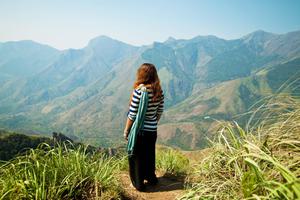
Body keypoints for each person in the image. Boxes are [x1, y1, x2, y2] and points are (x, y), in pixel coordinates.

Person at [123, 63, 164, 191]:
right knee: (149, 155)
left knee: (136, 157)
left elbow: (132, 114)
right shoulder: (159, 91)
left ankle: (138, 183)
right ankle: (150, 178)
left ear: (141, 75)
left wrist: (126, 130)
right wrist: (152, 122)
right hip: (152, 130)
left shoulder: (139, 92)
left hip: (139, 131)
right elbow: (159, 111)